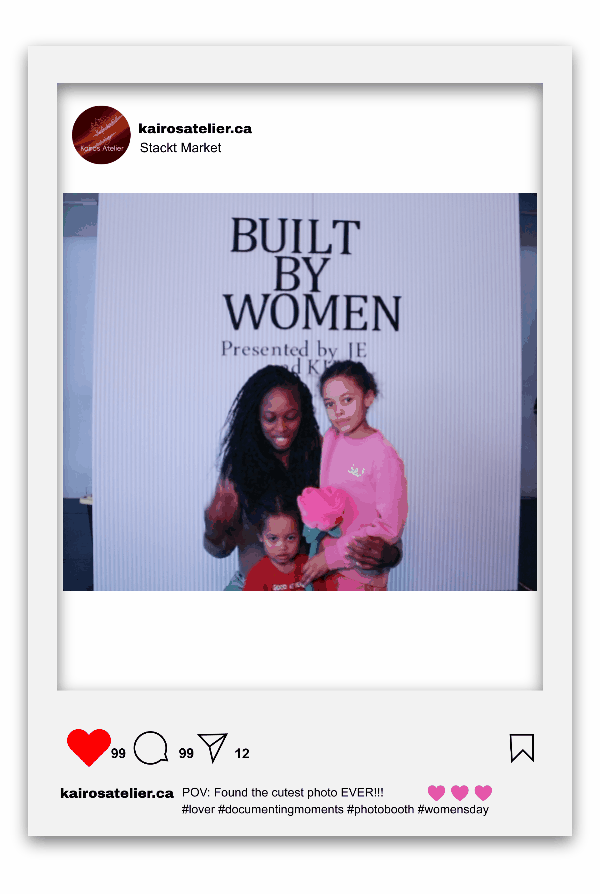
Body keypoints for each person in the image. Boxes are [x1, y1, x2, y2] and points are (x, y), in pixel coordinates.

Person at [204, 365, 401, 589]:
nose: (281, 428)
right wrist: (215, 524)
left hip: (309, 587)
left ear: (304, 414)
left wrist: (391, 553)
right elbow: (218, 550)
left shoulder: (325, 456)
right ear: (255, 418)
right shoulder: (239, 467)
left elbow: (367, 515)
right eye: (270, 418)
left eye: (291, 417)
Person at [301, 361, 408, 591]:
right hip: (324, 571)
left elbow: (389, 527)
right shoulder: (332, 438)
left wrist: (331, 557)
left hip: (360, 577)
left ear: (368, 397)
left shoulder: (383, 456)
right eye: (330, 403)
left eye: (347, 400)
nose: (338, 410)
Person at [242, 500, 313, 591]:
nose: (282, 547)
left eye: (290, 538)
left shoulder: (308, 565)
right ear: (261, 536)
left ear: (300, 535)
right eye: (273, 538)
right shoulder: (257, 575)